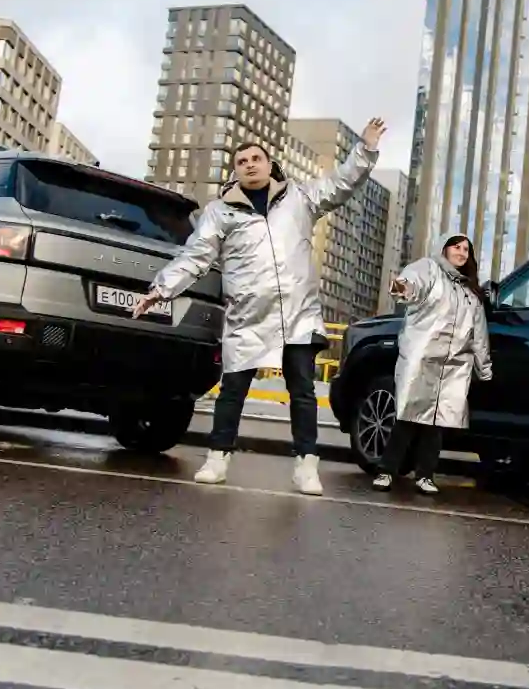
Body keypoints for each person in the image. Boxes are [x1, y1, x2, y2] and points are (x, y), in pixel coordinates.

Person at [134, 118, 387, 495]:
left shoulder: (300, 198)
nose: (250, 165)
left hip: (298, 315)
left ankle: (306, 464)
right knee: (232, 390)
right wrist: (161, 289)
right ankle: (217, 458)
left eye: (256, 159)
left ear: (270, 165)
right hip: (248, 317)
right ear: (235, 171)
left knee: (302, 391)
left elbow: (341, 183)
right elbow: (195, 256)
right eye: (242, 161)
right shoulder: (220, 212)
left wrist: (365, 150)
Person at [372, 233, 492, 495]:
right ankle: (386, 470)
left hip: (454, 366)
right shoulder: (429, 269)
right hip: (422, 357)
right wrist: (402, 287)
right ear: (445, 249)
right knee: (407, 416)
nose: (461, 253)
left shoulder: (471, 293)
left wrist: (484, 368)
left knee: (436, 422)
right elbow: (412, 284)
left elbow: (479, 335)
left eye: (466, 250)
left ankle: (425, 475)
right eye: (456, 247)